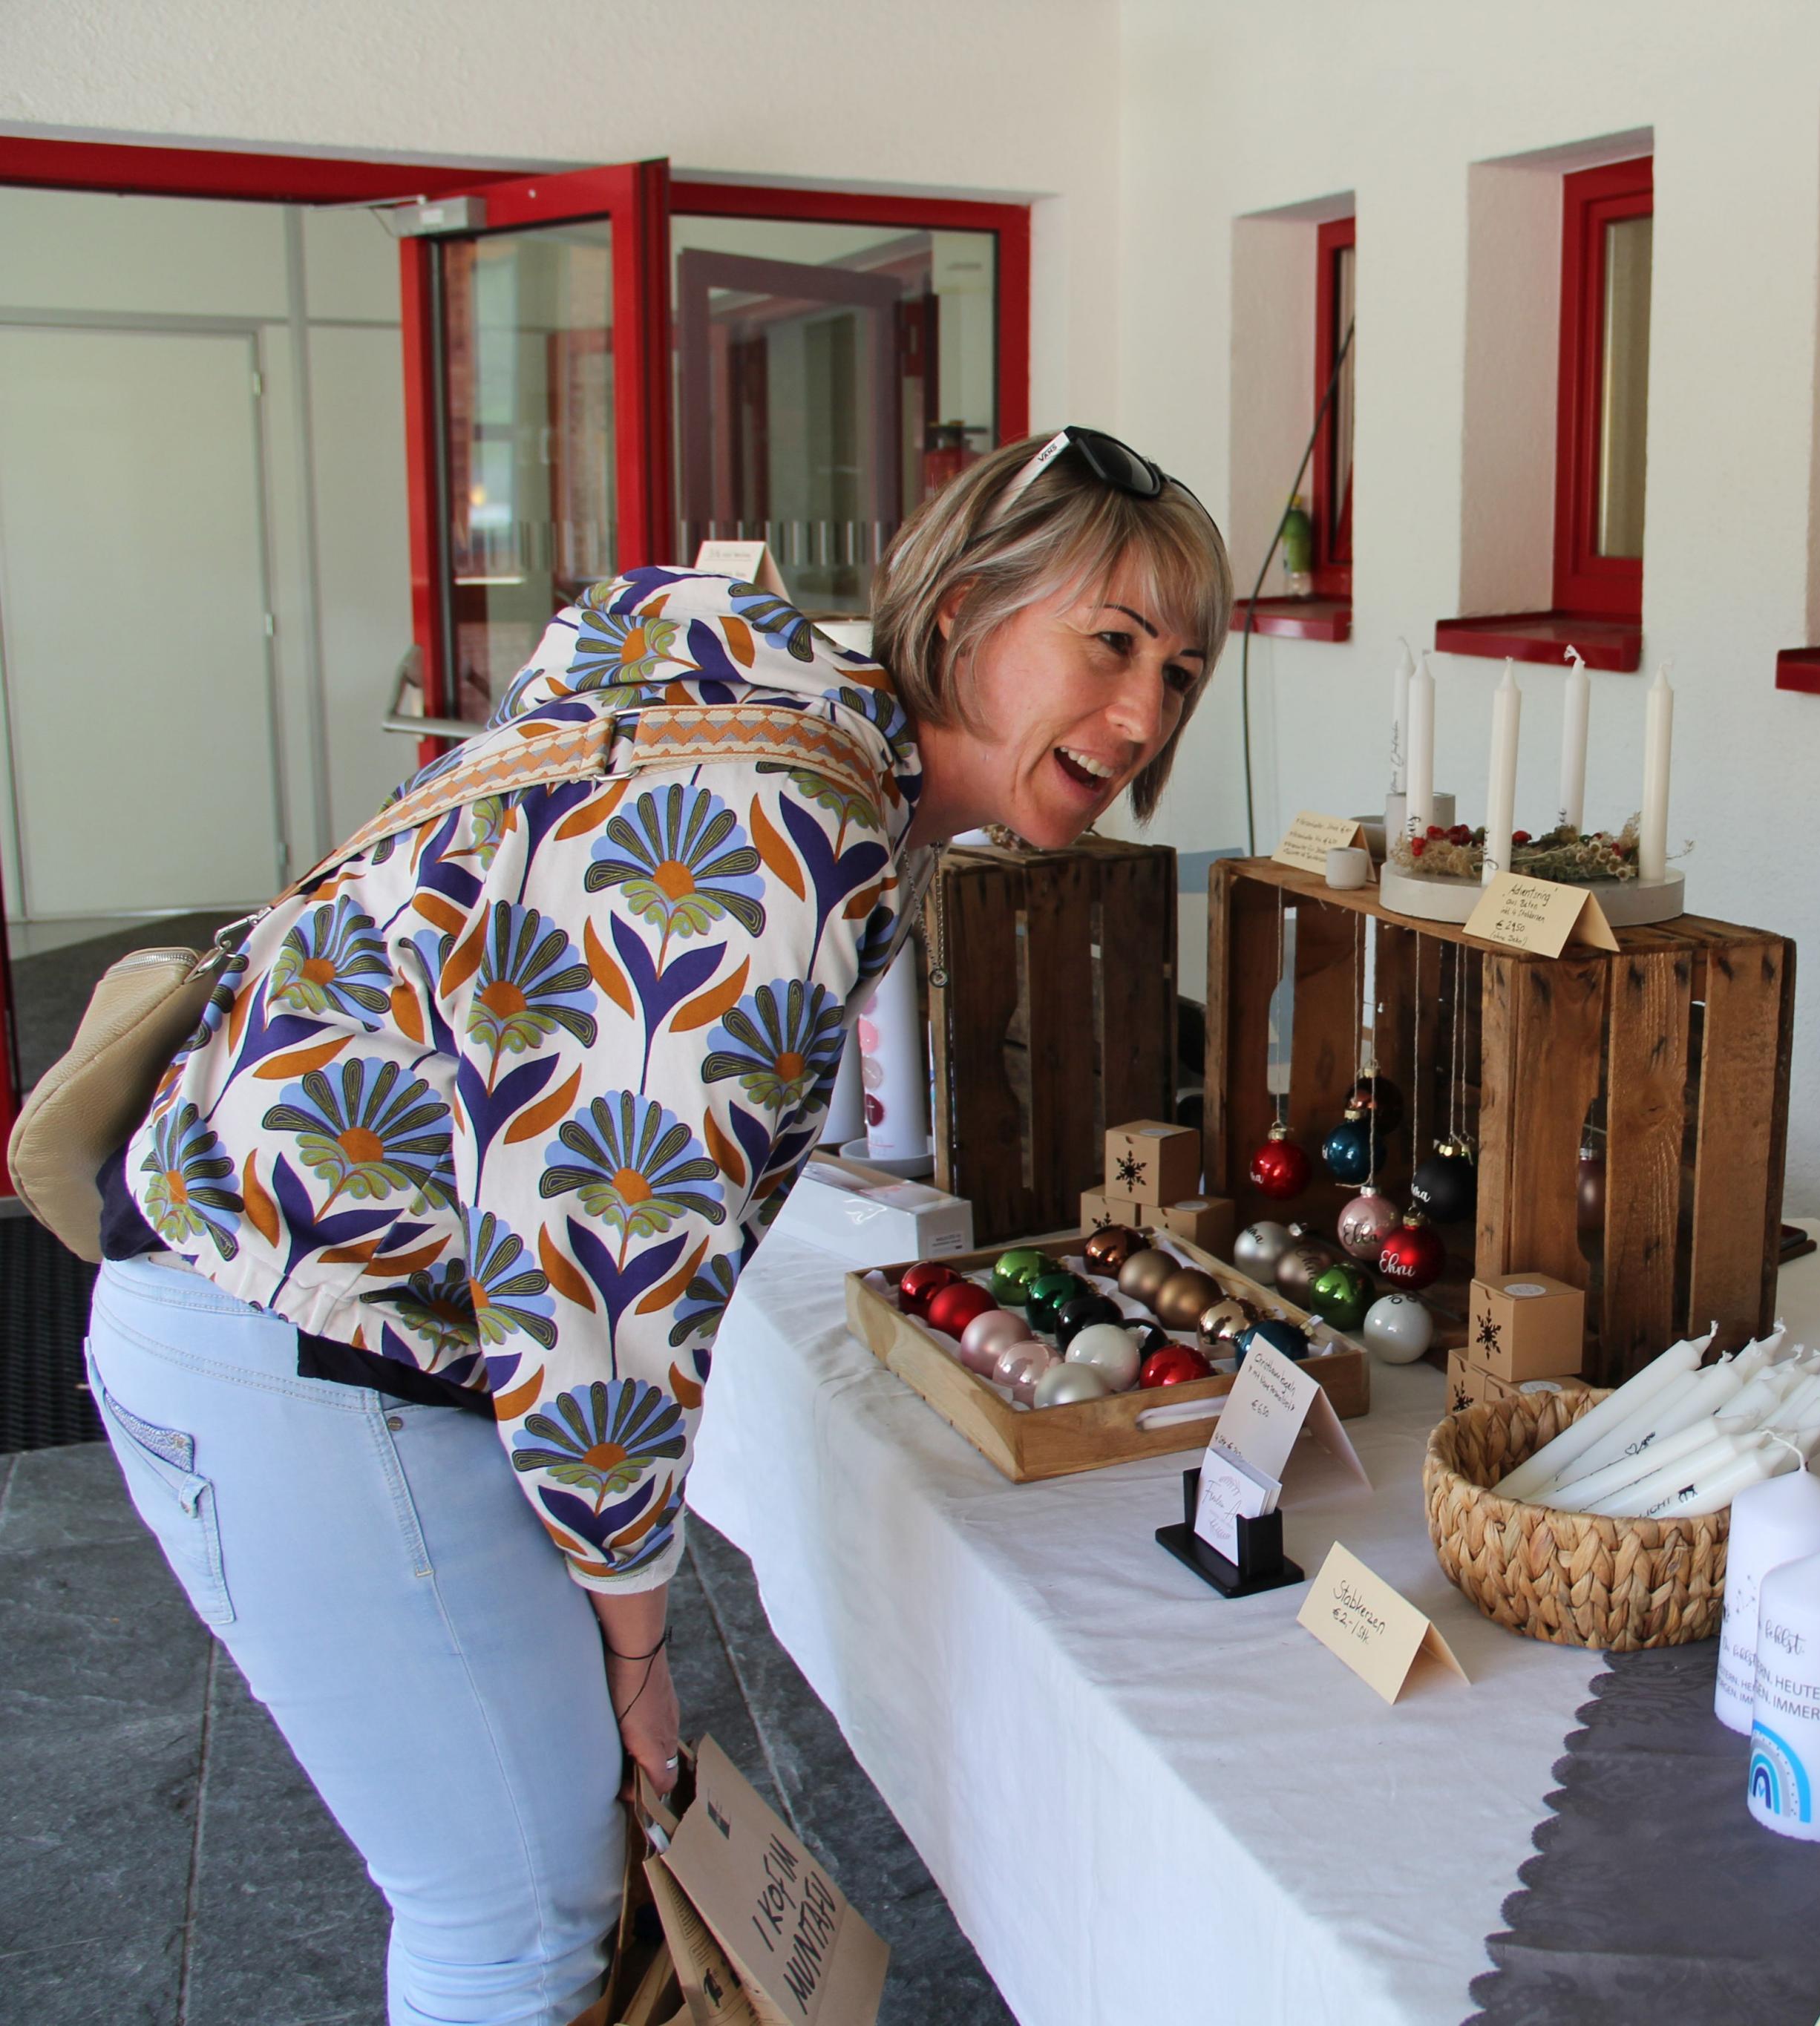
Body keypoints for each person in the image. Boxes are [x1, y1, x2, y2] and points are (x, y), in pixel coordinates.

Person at [81, 426, 1225, 2025]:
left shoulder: (760, 723)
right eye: (1110, 642)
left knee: (520, 1897)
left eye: (1180, 671)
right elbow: (603, 1270)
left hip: (285, 1312)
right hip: (307, 1345)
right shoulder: (793, 821)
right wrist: (635, 1645)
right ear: (966, 608)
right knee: (517, 1928)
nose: (1143, 715)